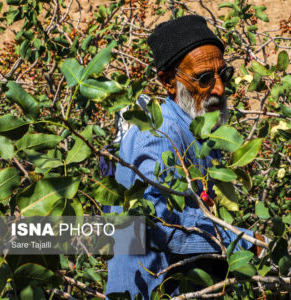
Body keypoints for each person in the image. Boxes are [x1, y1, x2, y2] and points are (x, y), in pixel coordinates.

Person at [105, 15, 264, 299]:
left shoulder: (199, 129)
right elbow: (165, 228)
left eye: (223, 74)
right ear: (168, 81)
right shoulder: (157, 135)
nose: (219, 89)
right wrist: (246, 242)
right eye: (204, 78)